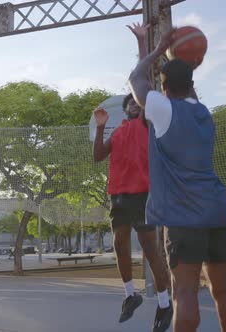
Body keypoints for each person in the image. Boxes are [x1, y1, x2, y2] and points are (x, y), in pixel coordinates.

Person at [128, 29, 226, 332]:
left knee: (185, 291)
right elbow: (177, 87)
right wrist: (179, 61)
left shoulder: (163, 110)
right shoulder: (203, 113)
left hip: (184, 215)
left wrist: (157, 49)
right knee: (222, 289)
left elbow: (137, 78)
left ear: (163, 88)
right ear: (192, 85)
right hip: (216, 210)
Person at [92, 22, 173, 332]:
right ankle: (130, 295)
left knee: (150, 248)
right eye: (128, 103)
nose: (132, 103)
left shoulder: (147, 125)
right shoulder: (119, 132)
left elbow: (143, 78)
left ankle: (165, 303)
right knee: (119, 243)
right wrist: (100, 127)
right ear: (124, 111)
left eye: (135, 102)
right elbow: (98, 156)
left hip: (143, 195)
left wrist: (142, 44)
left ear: (140, 108)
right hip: (119, 196)